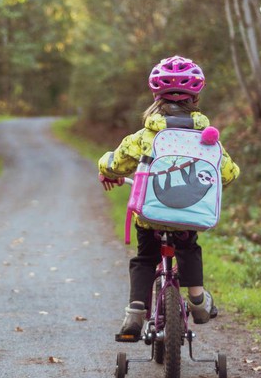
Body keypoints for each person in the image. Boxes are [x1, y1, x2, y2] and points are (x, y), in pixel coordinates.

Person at [97, 56, 240, 338]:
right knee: (189, 249)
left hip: (151, 217)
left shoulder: (145, 136)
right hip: (188, 218)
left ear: (155, 96)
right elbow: (229, 173)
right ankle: (198, 300)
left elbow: (116, 163)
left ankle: (136, 312)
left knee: (144, 258)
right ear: (196, 98)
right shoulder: (206, 138)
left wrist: (106, 168)